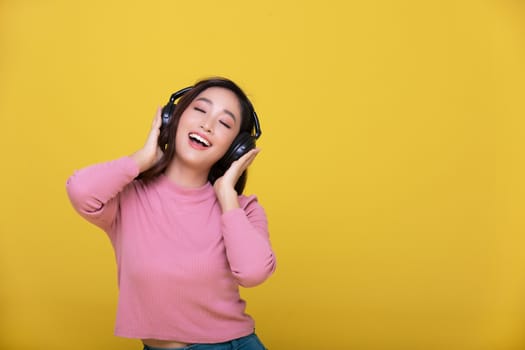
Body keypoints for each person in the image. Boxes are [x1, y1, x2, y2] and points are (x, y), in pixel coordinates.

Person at [66, 77, 276, 350]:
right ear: (171, 118)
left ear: (236, 148)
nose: (207, 125)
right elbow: (80, 190)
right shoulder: (128, 197)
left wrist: (226, 196)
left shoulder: (243, 209)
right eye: (200, 110)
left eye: (224, 123)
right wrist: (142, 158)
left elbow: (253, 273)